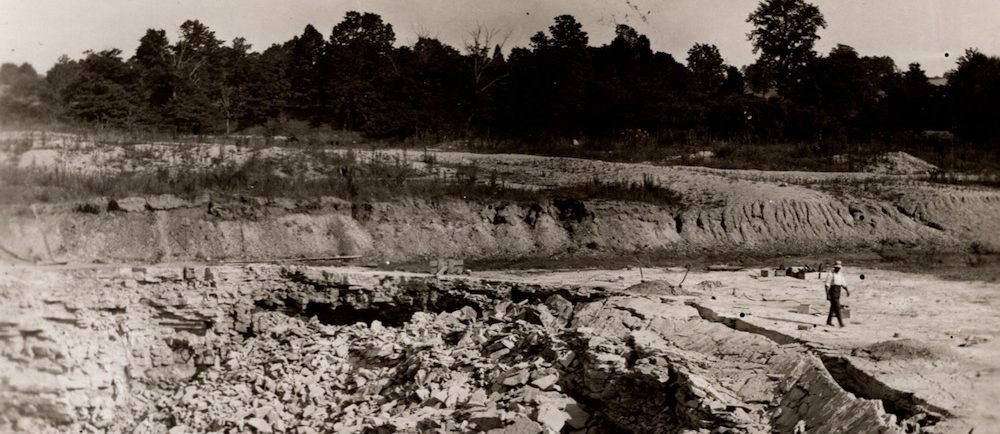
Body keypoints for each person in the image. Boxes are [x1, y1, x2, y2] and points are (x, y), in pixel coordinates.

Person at [824, 260, 850, 327]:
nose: (838, 269)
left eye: (839, 268)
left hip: (838, 291)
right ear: (834, 267)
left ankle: (828, 321)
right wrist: (827, 295)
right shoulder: (830, 274)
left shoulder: (840, 274)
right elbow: (827, 285)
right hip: (832, 292)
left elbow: (843, 284)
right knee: (837, 307)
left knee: (833, 307)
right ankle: (841, 323)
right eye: (836, 267)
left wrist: (847, 290)